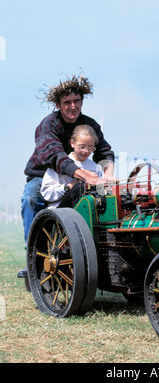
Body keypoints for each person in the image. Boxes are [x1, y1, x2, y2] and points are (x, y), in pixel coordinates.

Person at [18, 74, 116, 278]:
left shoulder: (89, 124)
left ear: (82, 101)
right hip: (43, 174)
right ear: (58, 104)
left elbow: (104, 152)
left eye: (76, 101)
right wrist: (84, 176)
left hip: (81, 176)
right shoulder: (48, 124)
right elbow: (54, 156)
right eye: (67, 102)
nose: (72, 106)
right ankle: (34, 259)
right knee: (30, 199)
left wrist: (107, 176)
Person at [41, 124, 105, 208]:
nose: (86, 151)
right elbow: (46, 193)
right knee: (79, 187)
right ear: (72, 143)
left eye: (90, 147)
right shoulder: (60, 163)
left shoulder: (95, 167)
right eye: (82, 147)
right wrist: (69, 186)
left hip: (89, 208)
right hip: (61, 210)